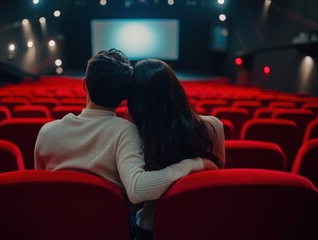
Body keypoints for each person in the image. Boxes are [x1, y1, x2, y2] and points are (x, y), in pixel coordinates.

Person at [34, 49, 218, 208]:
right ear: (124, 96)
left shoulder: (47, 131)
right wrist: (194, 164)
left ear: (84, 85)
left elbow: (41, 190)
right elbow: (138, 190)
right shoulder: (126, 131)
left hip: (55, 226)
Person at [127, 58, 225, 239]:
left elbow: (135, 196)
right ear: (176, 89)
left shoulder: (133, 134)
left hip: (152, 228)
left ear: (136, 102)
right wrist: (196, 164)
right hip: (199, 225)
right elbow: (216, 183)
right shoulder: (213, 127)